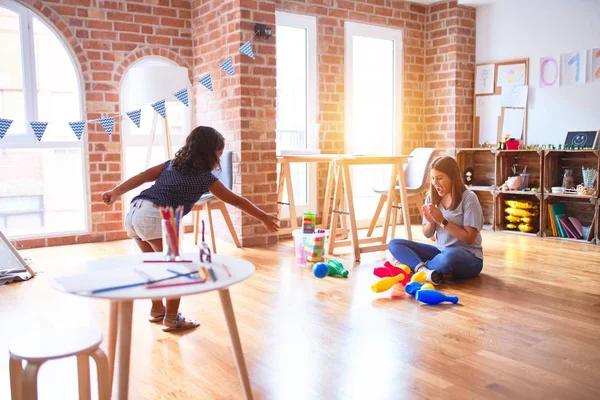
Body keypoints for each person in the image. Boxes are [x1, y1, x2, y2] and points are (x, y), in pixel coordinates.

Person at [101, 126, 280, 332]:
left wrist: (116, 192)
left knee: (155, 264)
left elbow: (142, 176)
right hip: (157, 215)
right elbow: (237, 201)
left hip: (135, 211)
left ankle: (158, 309)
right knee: (174, 268)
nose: (218, 160)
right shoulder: (205, 177)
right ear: (209, 153)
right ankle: (171, 318)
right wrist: (264, 217)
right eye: (218, 155)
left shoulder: (171, 165)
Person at [388, 155, 483, 285]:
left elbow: (470, 238)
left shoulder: (469, 198)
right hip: (440, 251)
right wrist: (431, 221)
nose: (435, 183)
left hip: (468, 257)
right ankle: (424, 271)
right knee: (394, 244)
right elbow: (427, 234)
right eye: (432, 178)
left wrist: (442, 221)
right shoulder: (431, 197)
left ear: (452, 178)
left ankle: (413, 266)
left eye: (439, 178)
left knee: (449, 257)